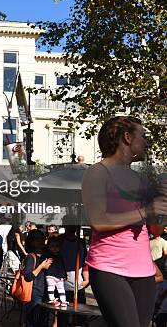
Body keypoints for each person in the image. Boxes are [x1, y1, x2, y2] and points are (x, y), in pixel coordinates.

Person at [82, 116, 167, 327]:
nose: (147, 142)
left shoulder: (140, 180)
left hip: (144, 270)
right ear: (127, 138)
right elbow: (98, 221)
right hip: (109, 268)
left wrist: (163, 203)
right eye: (143, 136)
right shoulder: (97, 172)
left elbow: (155, 229)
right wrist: (145, 210)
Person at [22, 229, 52, 327]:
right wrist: (41, 267)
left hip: (46, 294)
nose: (41, 241)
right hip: (34, 295)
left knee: (43, 322)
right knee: (33, 322)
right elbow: (28, 277)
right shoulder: (31, 257)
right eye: (37, 239)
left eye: (42, 238)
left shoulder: (47, 255)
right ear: (32, 241)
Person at [42, 236, 67, 306]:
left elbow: (63, 266)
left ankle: (63, 300)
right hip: (50, 274)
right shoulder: (47, 255)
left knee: (61, 288)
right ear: (48, 246)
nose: (55, 248)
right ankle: (51, 299)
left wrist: (65, 275)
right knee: (51, 287)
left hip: (59, 276)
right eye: (52, 246)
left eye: (57, 246)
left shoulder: (60, 256)